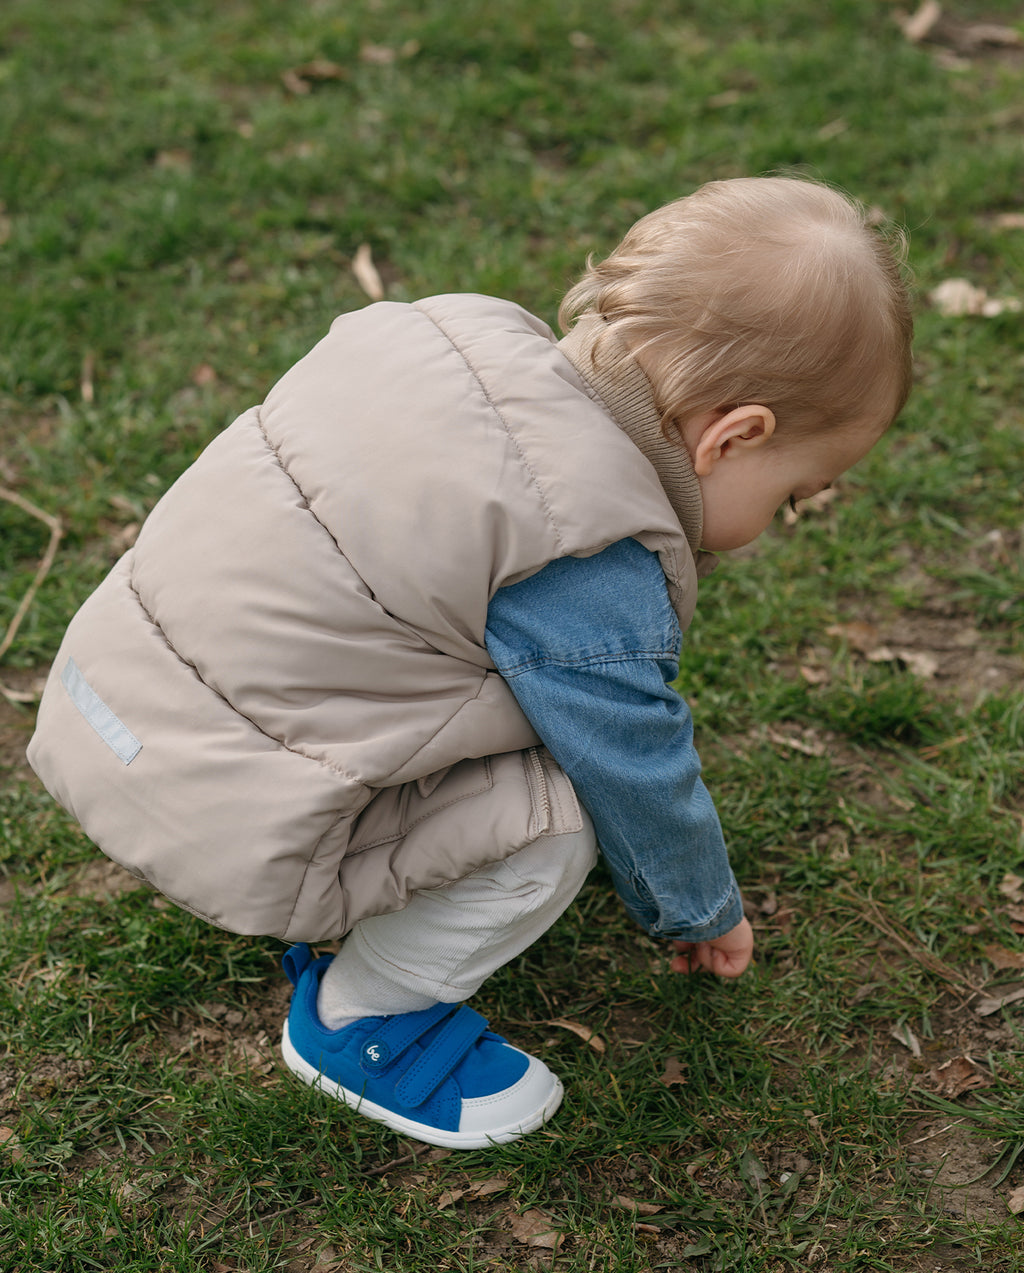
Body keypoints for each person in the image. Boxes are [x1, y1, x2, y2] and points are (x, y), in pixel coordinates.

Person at [27, 175, 913, 1150]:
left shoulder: (449, 336)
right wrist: (697, 907)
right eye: (793, 495)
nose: (780, 522)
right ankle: (364, 1019)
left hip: (107, 703)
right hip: (219, 811)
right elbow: (633, 766)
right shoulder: (586, 552)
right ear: (734, 437)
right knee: (567, 815)